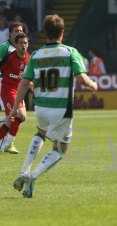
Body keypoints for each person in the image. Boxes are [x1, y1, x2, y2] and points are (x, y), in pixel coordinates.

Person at [11, 14, 98, 198]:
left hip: (41, 108)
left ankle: (23, 171)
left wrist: (15, 106)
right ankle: (32, 177)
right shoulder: (70, 52)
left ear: (45, 33)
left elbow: (24, 83)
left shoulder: (35, 54)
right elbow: (82, 78)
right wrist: (92, 85)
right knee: (60, 149)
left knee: (40, 134)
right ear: (62, 32)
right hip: (61, 110)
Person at [0, 33, 30, 153]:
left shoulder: (28, 58)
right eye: (21, 43)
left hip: (19, 91)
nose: (24, 45)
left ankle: (5, 143)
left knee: (17, 118)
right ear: (16, 45)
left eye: (26, 43)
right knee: (19, 116)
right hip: (8, 90)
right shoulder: (9, 58)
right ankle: (8, 143)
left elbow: (29, 78)